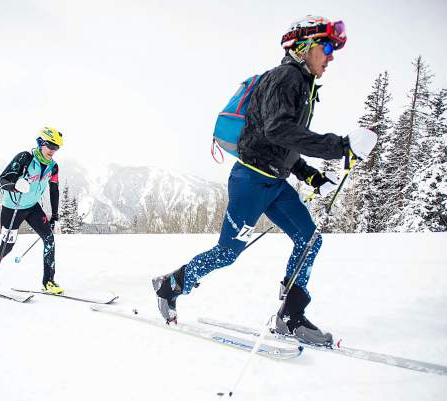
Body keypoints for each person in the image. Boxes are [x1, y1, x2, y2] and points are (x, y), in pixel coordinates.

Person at [152, 16, 377, 345]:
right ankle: (170, 286)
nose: (331, 56)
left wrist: (311, 176)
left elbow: (283, 142)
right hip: (250, 182)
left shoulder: (303, 85)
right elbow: (277, 130)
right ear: (304, 47)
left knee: (309, 240)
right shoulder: (285, 77)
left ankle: (291, 316)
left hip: (275, 183)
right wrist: (337, 146)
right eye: (326, 47)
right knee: (228, 252)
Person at [0, 127, 64, 294]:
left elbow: (54, 190)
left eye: (56, 148)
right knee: (8, 245)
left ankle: (48, 281)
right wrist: (15, 186)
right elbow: (1, 181)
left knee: (49, 239)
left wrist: (54, 216)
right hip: (13, 208)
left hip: (32, 207)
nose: (53, 151)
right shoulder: (25, 158)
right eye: (50, 145)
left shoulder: (53, 167)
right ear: (41, 142)